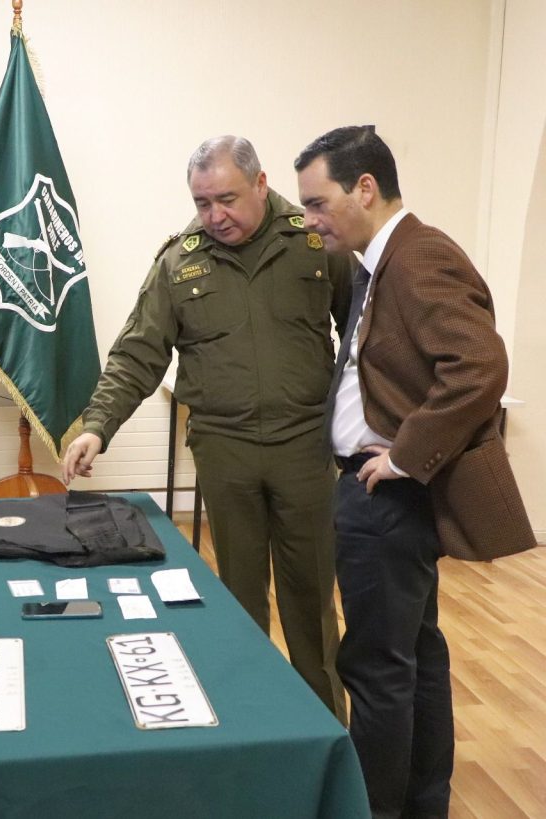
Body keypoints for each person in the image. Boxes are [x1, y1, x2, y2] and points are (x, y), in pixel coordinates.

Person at [63, 135, 351, 721]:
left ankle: (322, 731)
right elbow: (138, 354)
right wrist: (97, 426)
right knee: (238, 601)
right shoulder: (180, 261)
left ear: (261, 183)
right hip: (225, 450)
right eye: (202, 202)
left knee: (311, 600)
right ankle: (250, 722)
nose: (214, 215)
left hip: (304, 447)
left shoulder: (317, 243)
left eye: (227, 199)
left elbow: (360, 337)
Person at [294, 125, 528, 818]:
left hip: (385, 497)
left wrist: (403, 454)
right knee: (413, 659)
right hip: (381, 494)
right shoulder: (381, 261)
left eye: (317, 203)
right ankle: (423, 803)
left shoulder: (419, 256)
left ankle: (373, 809)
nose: (309, 220)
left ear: (365, 188)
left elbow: (479, 365)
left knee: (376, 669)